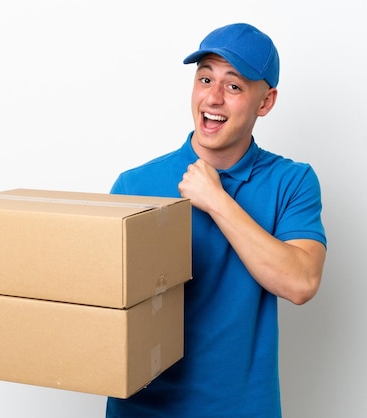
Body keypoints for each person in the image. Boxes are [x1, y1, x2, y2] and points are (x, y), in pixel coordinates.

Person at [106, 23, 327, 418]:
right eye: (205, 78)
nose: (212, 97)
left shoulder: (292, 182)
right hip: (143, 408)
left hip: (241, 408)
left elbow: (301, 283)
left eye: (234, 86)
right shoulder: (135, 184)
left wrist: (217, 201)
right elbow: (102, 305)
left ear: (266, 101)